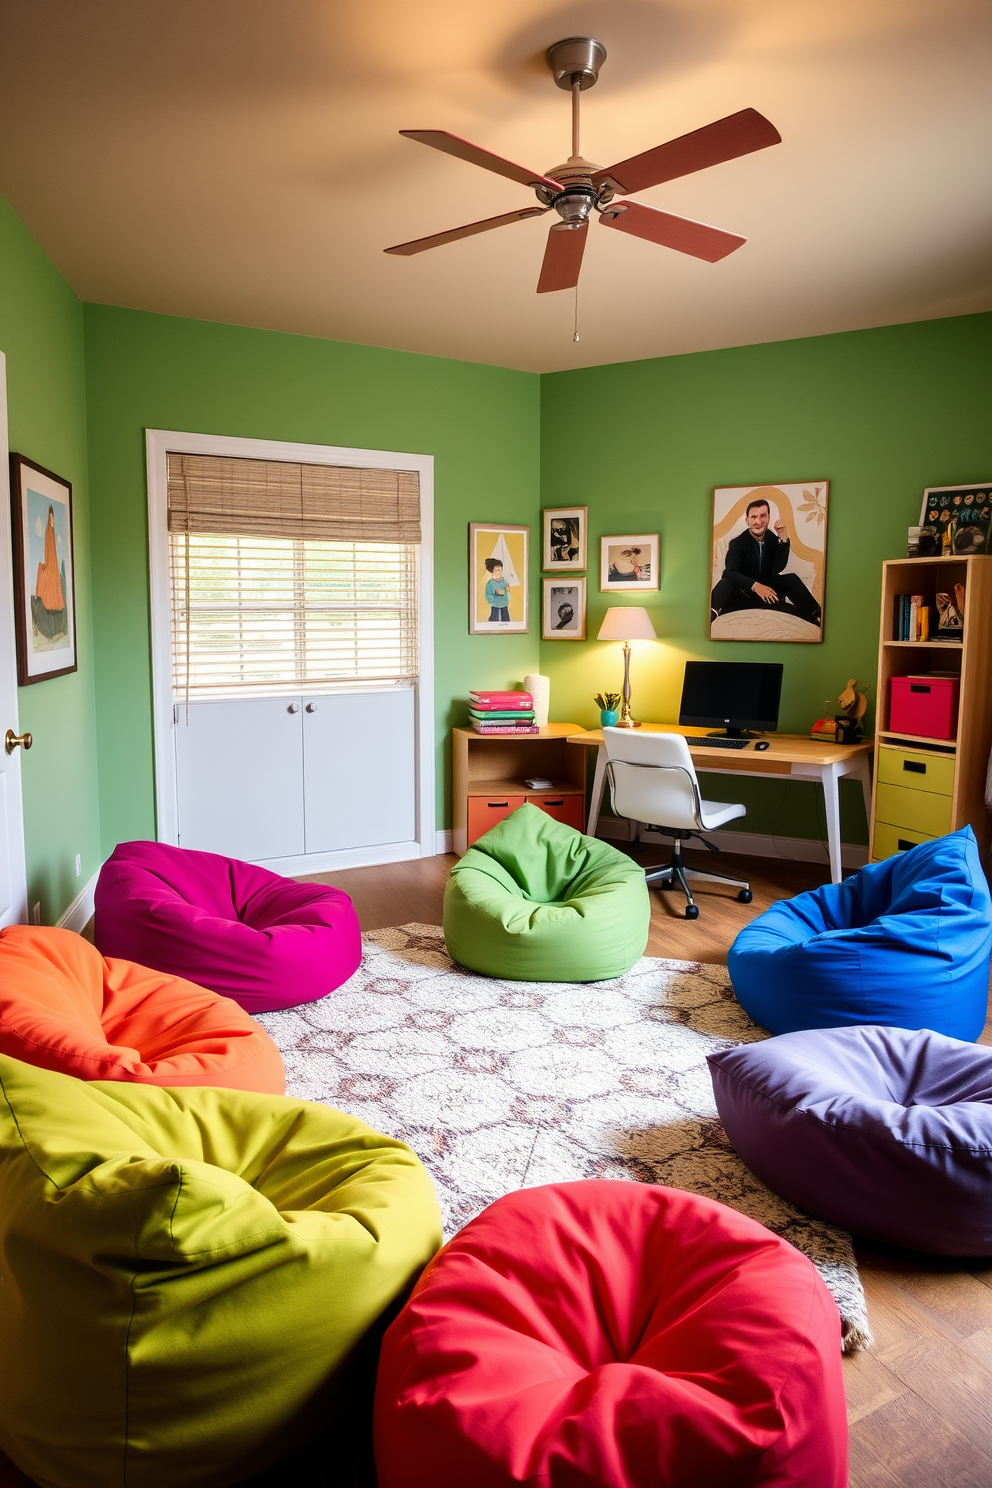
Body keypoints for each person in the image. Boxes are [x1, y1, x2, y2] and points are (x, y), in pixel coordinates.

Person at [711, 499, 821, 627]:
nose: (758, 522)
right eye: (754, 517)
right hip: (741, 592)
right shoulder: (737, 543)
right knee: (725, 582)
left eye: (763, 516)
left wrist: (783, 540)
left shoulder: (772, 539)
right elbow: (731, 573)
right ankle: (712, 612)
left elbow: (777, 567)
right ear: (747, 520)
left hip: (765, 589)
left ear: (768, 517)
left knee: (791, 579)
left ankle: (816, 615)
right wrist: (756, 586)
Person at [484, 558, 510, 622]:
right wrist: (496, 596)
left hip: (504, 604)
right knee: (494, 619)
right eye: (497, 570)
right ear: (492, 572)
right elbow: (488, 594)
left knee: (505, 619)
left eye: (500, 570)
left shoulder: (504, 582)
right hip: (495, 604)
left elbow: (507, 592)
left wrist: (506, 591)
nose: (499, 572)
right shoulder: (490, 583)